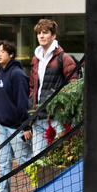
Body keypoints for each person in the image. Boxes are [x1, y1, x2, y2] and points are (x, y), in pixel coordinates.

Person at [27, 19, 79, 155]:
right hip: (38, 116)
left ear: (53, 35)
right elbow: (32, 87)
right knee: (37, 159)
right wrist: (31, 106)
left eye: (45, 33)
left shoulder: (64, 58)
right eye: (39, 33)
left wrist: (62, 108)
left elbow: (73, 86)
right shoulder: (35, 59)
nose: (41, 36)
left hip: (56, 118)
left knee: (56, 157)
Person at [0, 39, 30, 192]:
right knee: (3, 163)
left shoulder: (17, 74)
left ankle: (43, 191)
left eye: (3, 51)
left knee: (26, 162)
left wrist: (26, 126)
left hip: (17, 128)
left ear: (11, 54)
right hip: (3, 128)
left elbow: (22, 102)